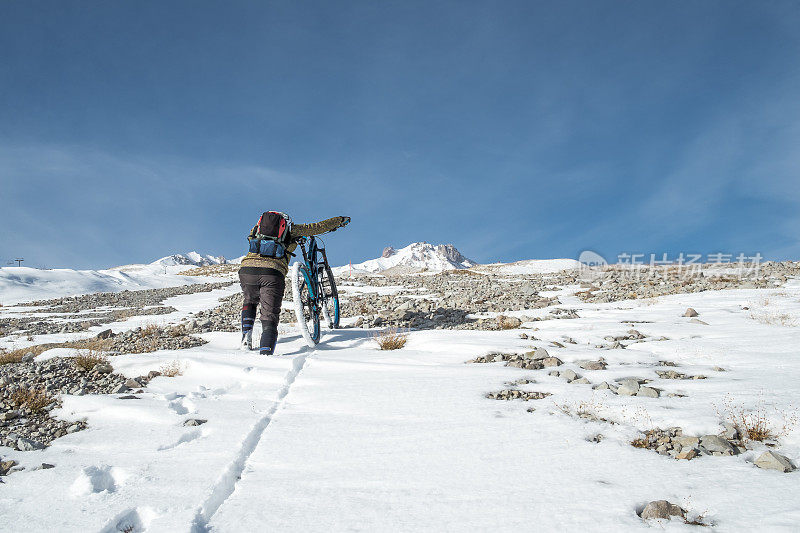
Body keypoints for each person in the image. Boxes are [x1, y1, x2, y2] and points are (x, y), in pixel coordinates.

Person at [238, 213, 350, 354]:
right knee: (269, 315)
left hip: (247, 270)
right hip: (272, 273)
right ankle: (265, 354)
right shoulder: (292, 230)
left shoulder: (256, 230)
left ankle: (246, 339)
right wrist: (339, 221)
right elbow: (317, 227)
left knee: (249, 301)